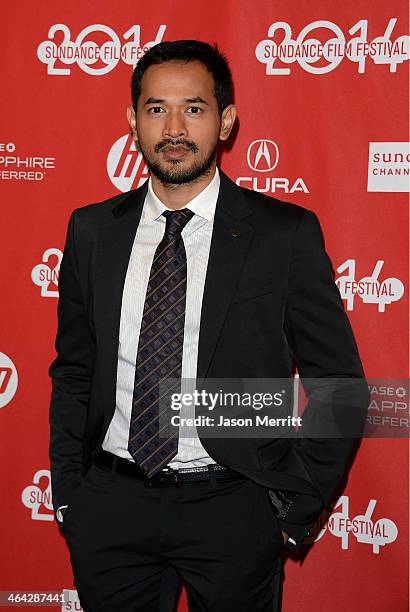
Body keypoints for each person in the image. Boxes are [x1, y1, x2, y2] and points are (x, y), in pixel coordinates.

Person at [49, 39, 369, 612]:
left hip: (234, 506)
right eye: (156, 109)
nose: (174, 127)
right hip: (111, 507)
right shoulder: (92, 231)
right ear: (133, 121)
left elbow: (338, 384)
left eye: (193, 108)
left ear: (225, 121)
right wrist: (73, 494)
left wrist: (294, 505)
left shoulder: (282, 234)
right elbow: (74, 370)